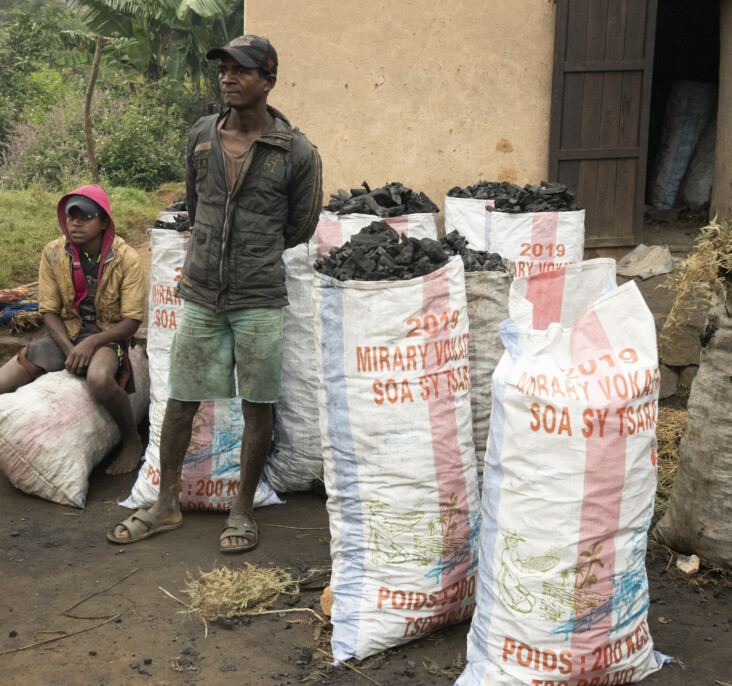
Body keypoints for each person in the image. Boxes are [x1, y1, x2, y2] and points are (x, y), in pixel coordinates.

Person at [108, 35, 323, 553]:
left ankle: (243, 510)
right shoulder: (202, 135)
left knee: (258, 405)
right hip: (202, 294)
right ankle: (166, 504)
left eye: (242, 70)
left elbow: (300, 226)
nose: (228, 77)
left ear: (268, 81)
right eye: (224, 68)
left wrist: (249, 255)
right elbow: (196, 199)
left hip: (258, 298)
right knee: (181, 401)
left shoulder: (296, 152)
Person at [0, 184, 146, 475]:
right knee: (5, 379)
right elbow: (50, 311)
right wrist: (69, 349)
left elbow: (131, 321)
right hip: (65, 333)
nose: (76, 223)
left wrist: (92, 344)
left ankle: (132, 440)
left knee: (100, 378)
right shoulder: (54, 253)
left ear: (104, 221)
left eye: (86, 216)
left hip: (108, 335)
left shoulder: (126, 258)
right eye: (71, 216)